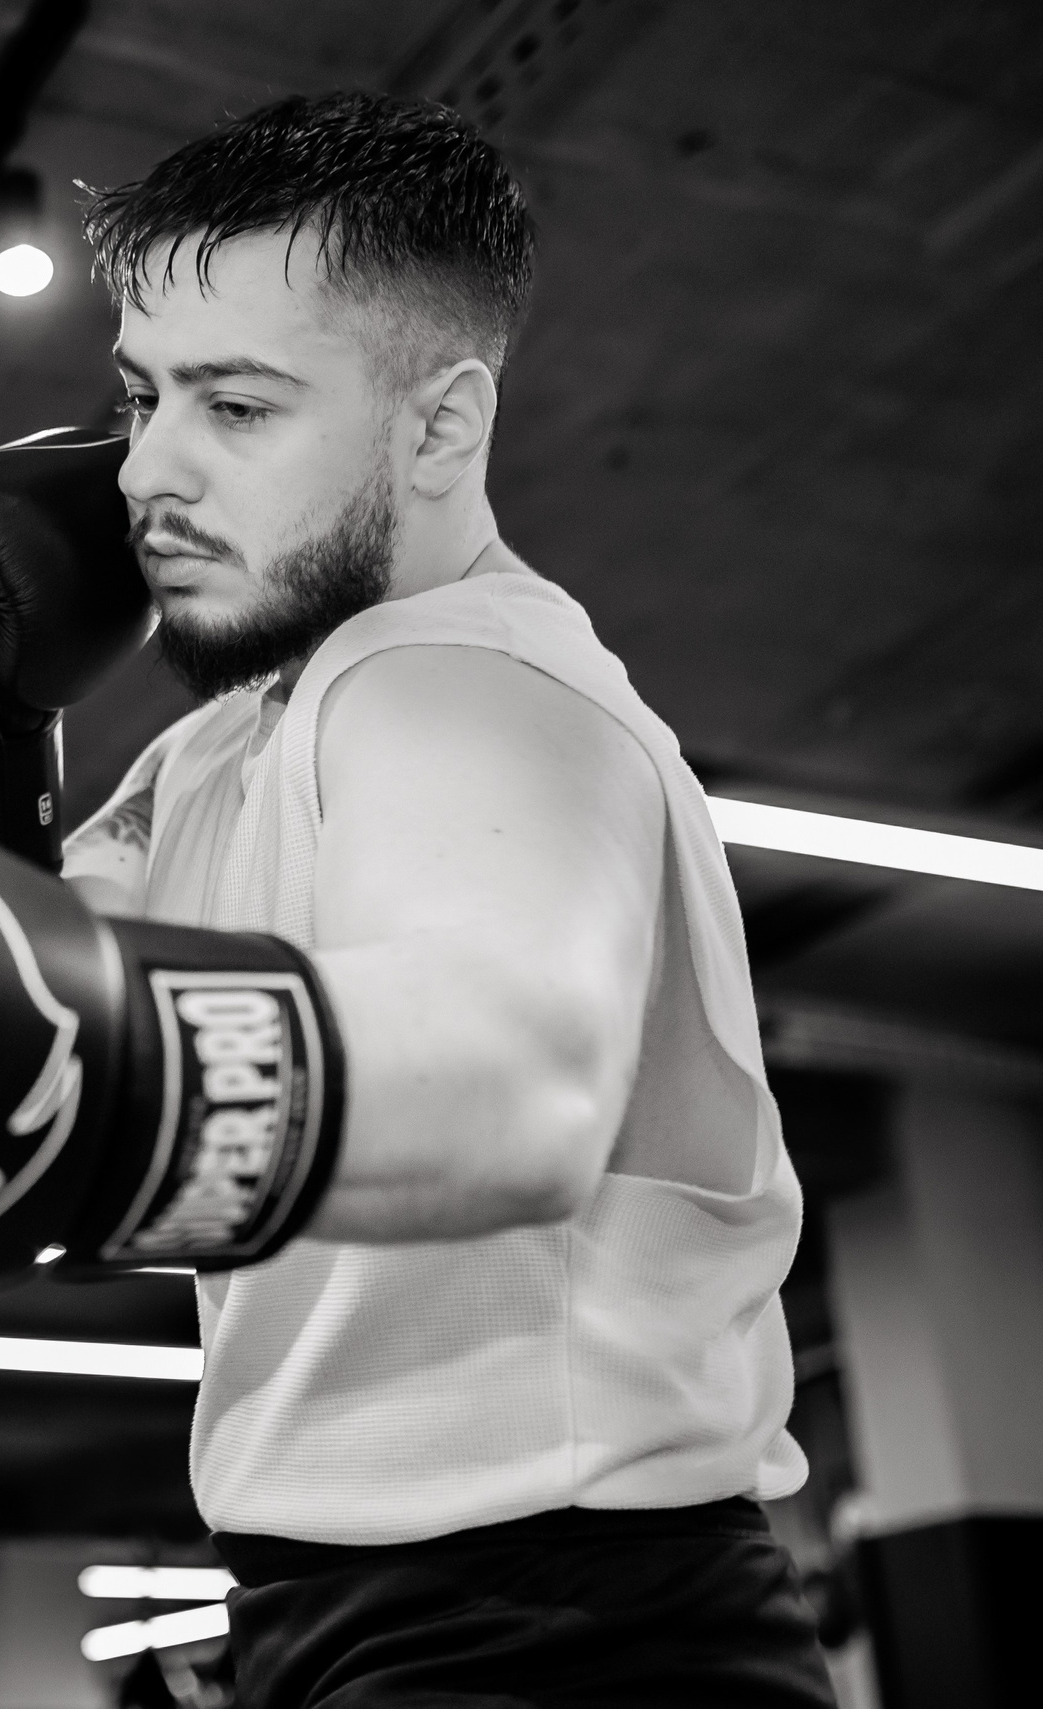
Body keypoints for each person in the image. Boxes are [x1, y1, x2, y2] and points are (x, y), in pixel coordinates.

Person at [44, 91, 835, 1706]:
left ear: (439, 427)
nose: (147, 472)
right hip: (337, 1618)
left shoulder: (460, 676)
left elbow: (507, 1089)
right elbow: (70, 1095)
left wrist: (22, 1037)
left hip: (570, 1628)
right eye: (139, 396)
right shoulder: (217, 749)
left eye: (238, 406)